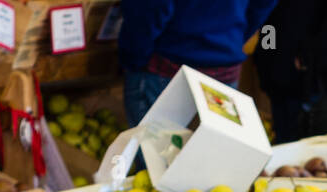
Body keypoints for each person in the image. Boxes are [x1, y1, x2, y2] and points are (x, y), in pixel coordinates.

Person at [119, 0, 279, 126]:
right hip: (224, 67)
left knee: (157, 161)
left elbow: (149, 9)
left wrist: (134, 58)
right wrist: (230, 38)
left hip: (168, 65)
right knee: (206, 158)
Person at [254, 0, 327, 144]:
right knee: (286, 158)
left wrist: (305, 59)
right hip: (282, 87)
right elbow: (270, 22)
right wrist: (266, 56)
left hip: (325, 88)